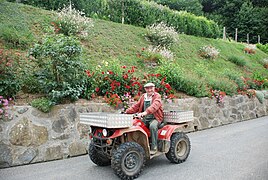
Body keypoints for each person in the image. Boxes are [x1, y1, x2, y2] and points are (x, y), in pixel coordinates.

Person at [125, 82, 164, 154]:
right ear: (145, 89)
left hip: (155, 118)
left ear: (154, 88)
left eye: (151, 88)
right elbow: (136, 106)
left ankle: (154, 147)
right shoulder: (143, 96)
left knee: (153, 126)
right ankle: (138, 145)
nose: (149, 90)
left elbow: (155, 106)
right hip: (145, 118)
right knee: (135, 124)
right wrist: (126, 112)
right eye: (147, 88)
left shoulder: (157, 96)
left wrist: (145, 112)